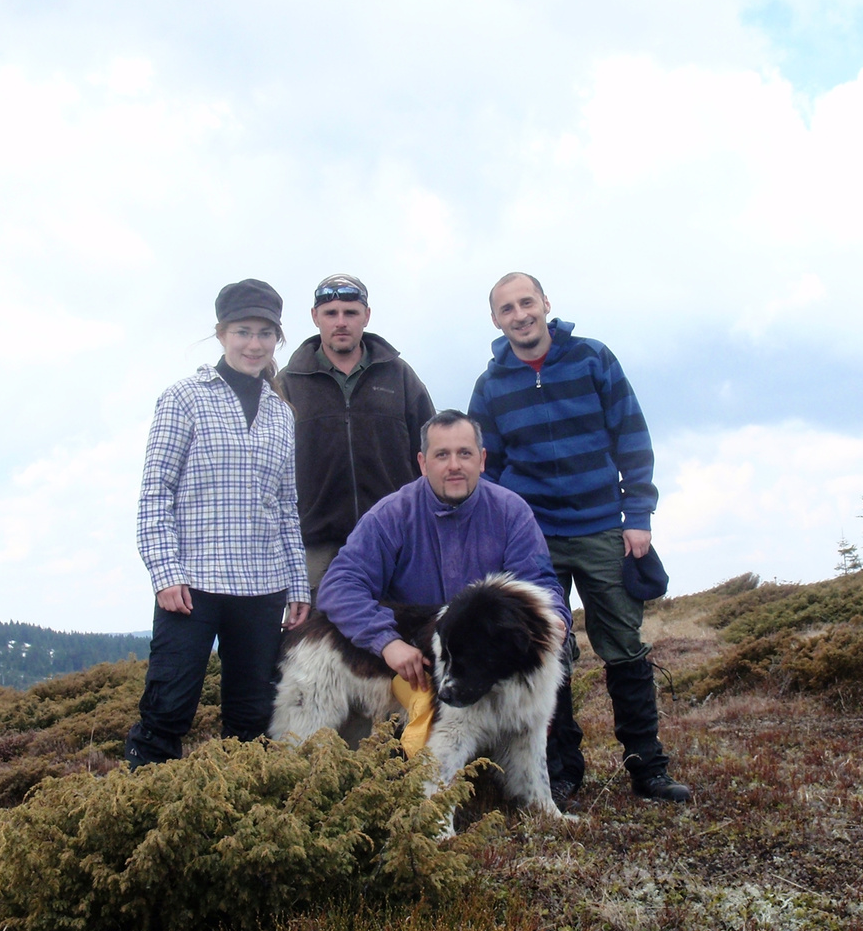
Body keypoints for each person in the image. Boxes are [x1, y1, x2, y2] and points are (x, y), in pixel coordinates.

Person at [468, 272, 690, 804]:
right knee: (548, 656)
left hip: (602, 528)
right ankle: (563, 770)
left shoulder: (594, 358)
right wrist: (501, 530)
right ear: (495, 320)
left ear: (546, 303)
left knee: (625, 649)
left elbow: (631, 435)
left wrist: (637, 513)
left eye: (527, 302)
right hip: (532, 537)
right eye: (507, 308)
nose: (520, 315)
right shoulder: (489, 384)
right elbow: (487, 468)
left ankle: (647, 768)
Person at [124, 279, 311, 771]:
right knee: (168, 706)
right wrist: (165, 572)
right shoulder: (184, 398)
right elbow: (155, 491)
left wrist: (298, 585)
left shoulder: (282, 414)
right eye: (243, 331)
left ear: (277, 338)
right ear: (221, 333)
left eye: (266, 333)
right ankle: (146, 811)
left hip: (262, 586)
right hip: (192, 585)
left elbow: (286, 505)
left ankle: (240, 821)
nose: (254, 344)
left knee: (251, 719)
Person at [316, 410, 571, 690]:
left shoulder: (512, 512)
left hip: (493, 664)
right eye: (441, 455)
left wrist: (555, 618)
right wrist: (386, 642)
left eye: (464, 453)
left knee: (553, 715)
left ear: (482, 460)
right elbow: (340, 585)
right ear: (423, 464)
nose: (454, 465)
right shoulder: (390, 516)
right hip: (419, 666)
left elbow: (539, 584)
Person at [278, 274, 436, 599]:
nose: (341, 322)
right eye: (330, 313)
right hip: (316, 545)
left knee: (402, 638)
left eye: (350, 312)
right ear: (314, 317)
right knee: (318, 644)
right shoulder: (286, 384)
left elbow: (431, 454)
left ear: (366, 315)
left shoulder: (400, 375)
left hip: (397, 538)